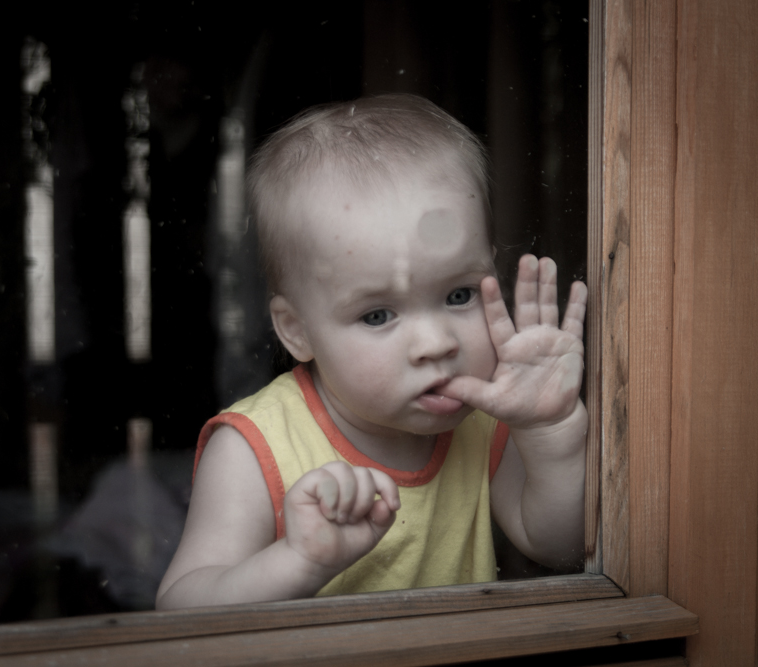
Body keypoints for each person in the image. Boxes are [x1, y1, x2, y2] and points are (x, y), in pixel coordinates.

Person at [156, 94, 588, 609]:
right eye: (377, 315)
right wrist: (298, 561)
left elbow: (560, 547)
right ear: (297, 332)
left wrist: (549, 432)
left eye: (458, 295)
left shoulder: (481, 422)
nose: (437, 344)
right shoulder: (256, 448)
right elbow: (181, 609)